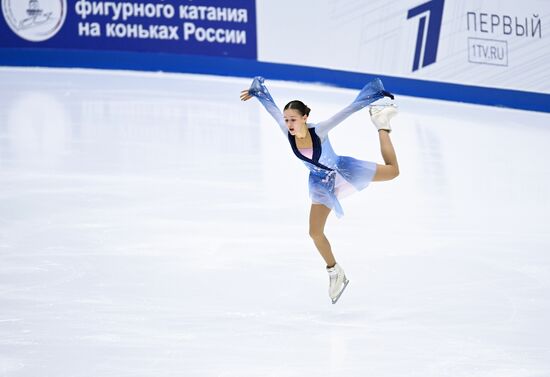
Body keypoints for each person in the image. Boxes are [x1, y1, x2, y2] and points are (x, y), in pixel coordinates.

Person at [240, 76, 399, 304]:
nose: (289, 124)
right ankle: (335, 272)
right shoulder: (287, 132)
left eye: (293, 119)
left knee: (393, 172)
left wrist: (375, 95)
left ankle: (382, 123)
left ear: (305, 118)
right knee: (315, 232)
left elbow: (348, 110)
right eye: (287, 120)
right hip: (320, 182)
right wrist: (258, 91)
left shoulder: (320, 131)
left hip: (343, 170)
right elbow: (272, 108)